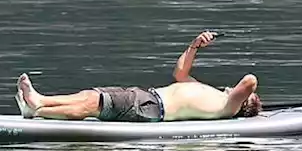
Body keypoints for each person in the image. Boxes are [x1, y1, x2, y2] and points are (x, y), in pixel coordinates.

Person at [14, 31, 262, 122]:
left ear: (243, 102)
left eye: (241, 95)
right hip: (147, 97)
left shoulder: (227, 107)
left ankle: (39, 108)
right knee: (92, 96)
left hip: (152, 107)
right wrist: (195, 46)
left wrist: (247, 99)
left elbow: (250, 80)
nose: (232, 88)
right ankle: (40, 102)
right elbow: (180, 73)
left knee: (95, 104)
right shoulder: (210, 93)